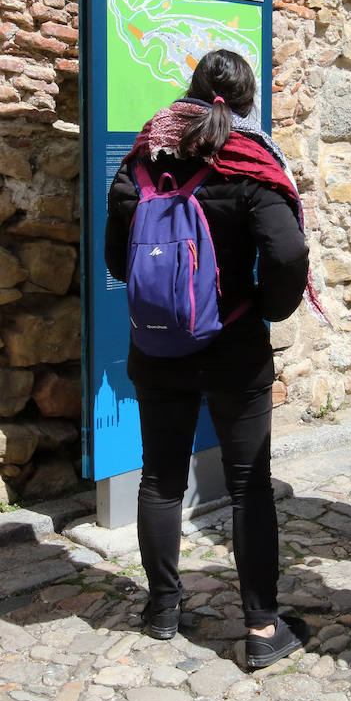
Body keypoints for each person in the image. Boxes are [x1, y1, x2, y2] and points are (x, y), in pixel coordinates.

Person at [105, 49, 310, 669]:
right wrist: (266, 308)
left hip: (157, 345)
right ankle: (262, 629)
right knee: (248, 485)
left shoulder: (142, 158)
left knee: (160, 478)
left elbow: (119, 260)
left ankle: (163, 610)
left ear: (190, 92)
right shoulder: (251, 163)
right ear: (248, 101)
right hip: (233, 344)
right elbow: (287, 252)